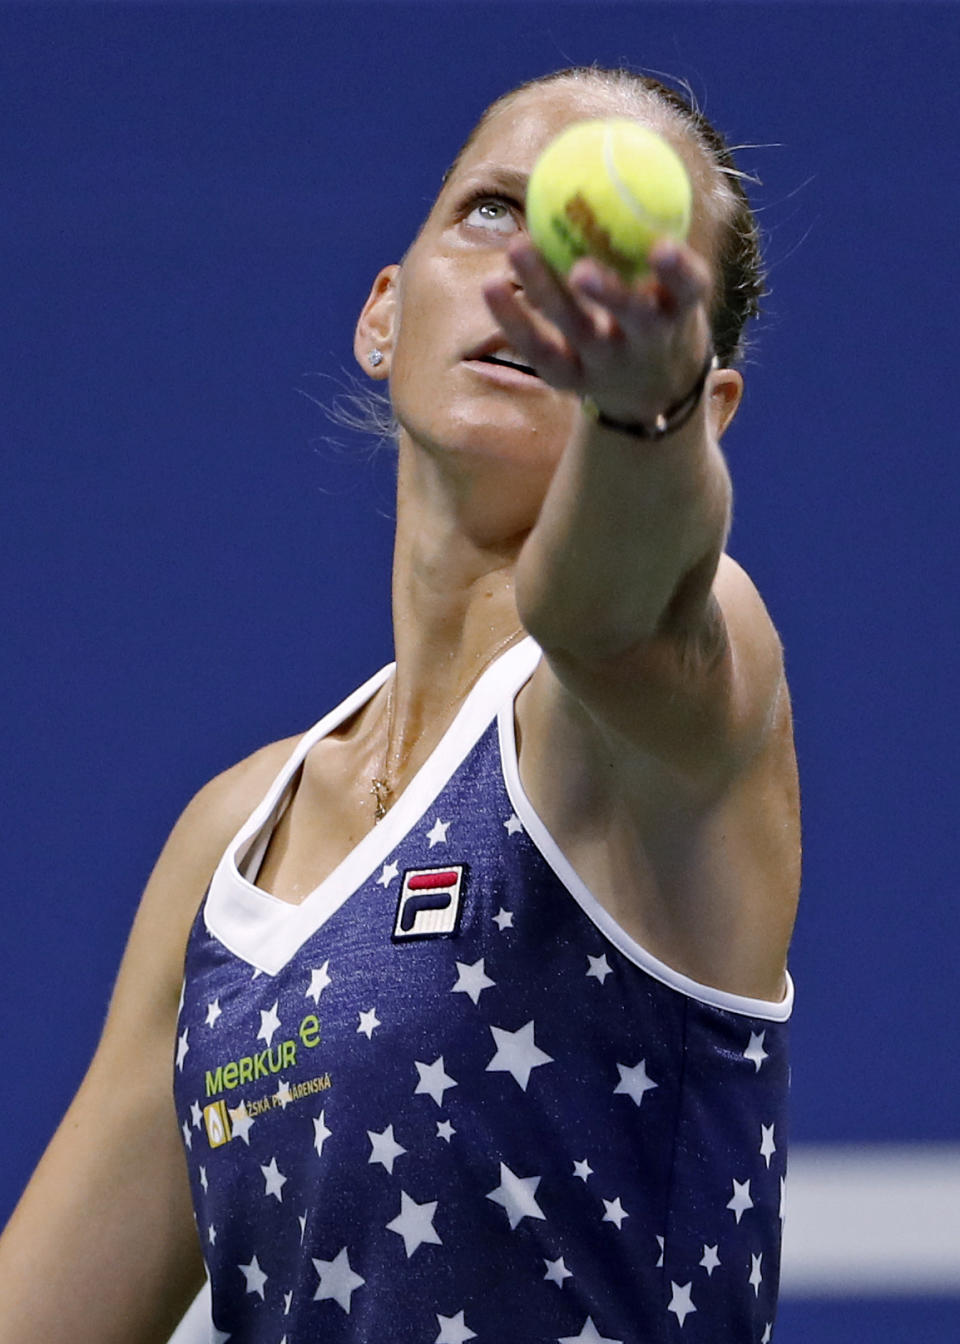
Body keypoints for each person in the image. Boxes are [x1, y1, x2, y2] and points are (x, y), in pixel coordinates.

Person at [0, 66, 800, 1344]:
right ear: (384, 317)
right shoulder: (234, 846)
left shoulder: (670, 688)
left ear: (708, 406)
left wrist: (635, 405)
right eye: (492, 212)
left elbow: (613, 605)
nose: (540, 270)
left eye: (608, 244)